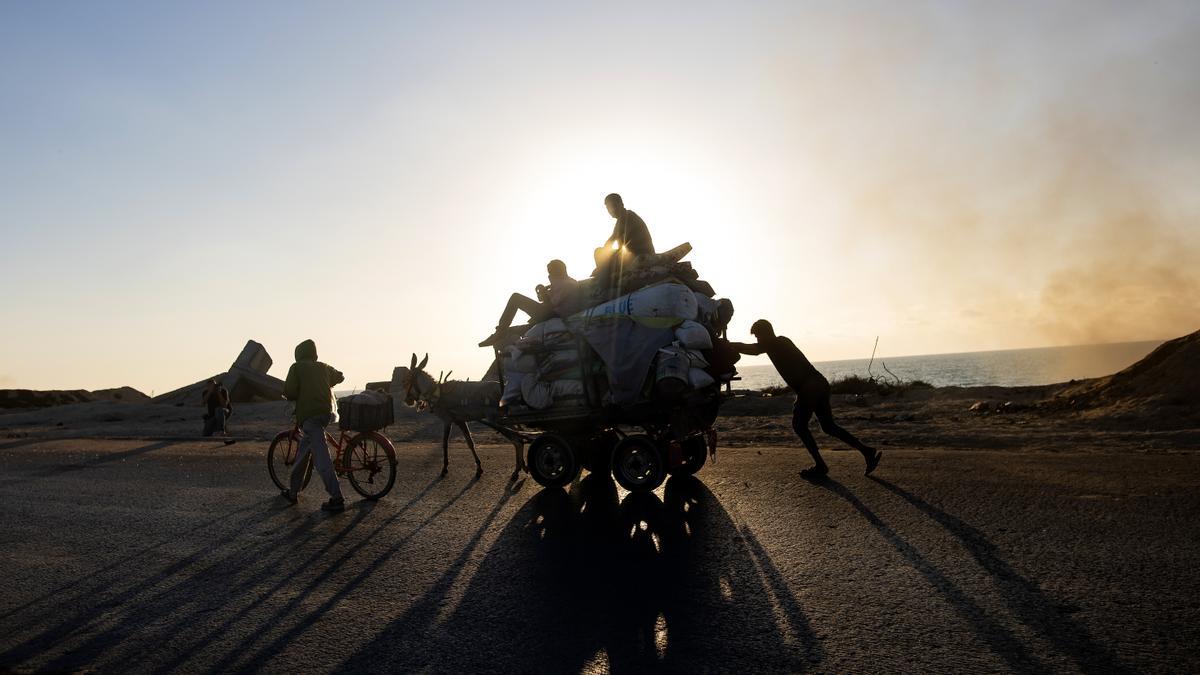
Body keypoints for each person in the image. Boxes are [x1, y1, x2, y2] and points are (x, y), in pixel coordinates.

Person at [730, 320, 882, 479]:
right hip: (820, 383)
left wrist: (728, 345)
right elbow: (753, 347)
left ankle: (821, 465)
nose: (758, 340)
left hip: (810, 388)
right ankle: (867, 451)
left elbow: (752, 349)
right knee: (828, 426)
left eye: (758, 336)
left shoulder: (774, 343)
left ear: (765, 333)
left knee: (799, 425)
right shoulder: (781, 341)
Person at [281, 339, 347, 512]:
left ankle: (337, 497)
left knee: (321, 458)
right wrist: (325, 383)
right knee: (303, 453)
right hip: (325, 414)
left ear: (298, 354)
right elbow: (340, 376)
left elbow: (290, 391)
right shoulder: (323, 367)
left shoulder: (296, 368)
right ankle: (293, 492)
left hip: (309, 418)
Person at [479, 259, 581, 347]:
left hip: (556, 316)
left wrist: (545, 294)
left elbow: (550, 305)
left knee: (516, 298)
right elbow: (546, 301)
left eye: (551, 272)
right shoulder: (563, 283)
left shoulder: (567, 284)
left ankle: (500, 331)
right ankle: (502, 331)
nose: (549, 275)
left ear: (557, 271)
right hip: (550, 316)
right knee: (510, 331)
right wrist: (545, 292)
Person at [594, 193, 655, 283]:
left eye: (613, 206)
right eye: (608, 208)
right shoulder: (623, 218)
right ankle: (605, 275)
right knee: (604, 256)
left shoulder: (627, 216)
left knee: (598, 252)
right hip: (631, 255)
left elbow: (610, 242)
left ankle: (604, 283)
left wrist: (602, 263)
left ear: (621, 204)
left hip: (639, 255)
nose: (611, 210)